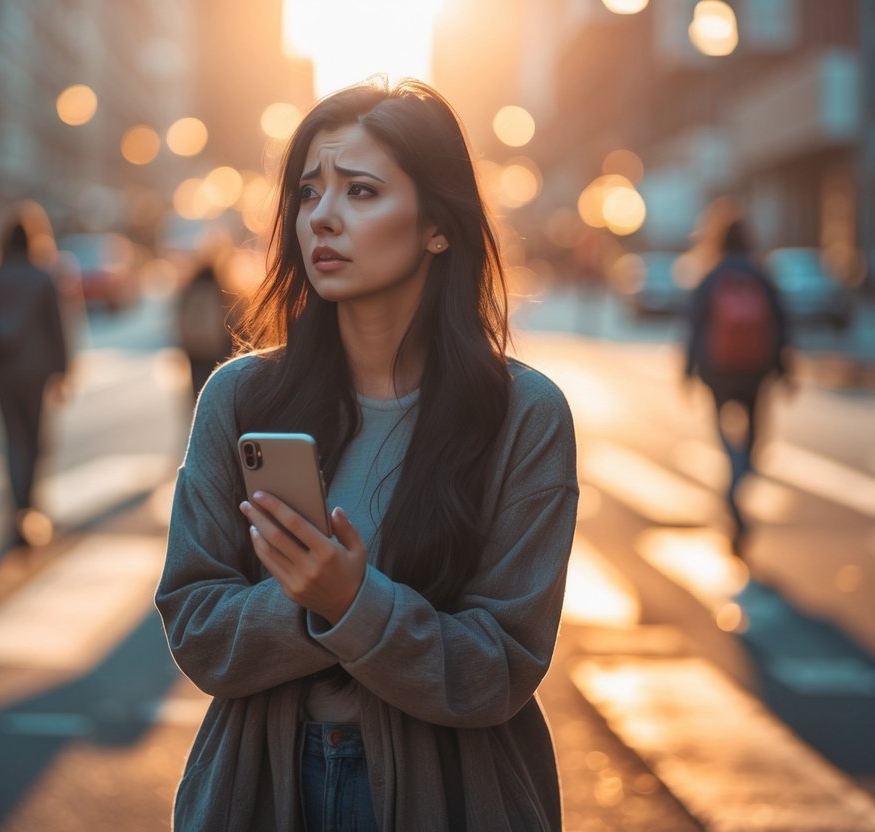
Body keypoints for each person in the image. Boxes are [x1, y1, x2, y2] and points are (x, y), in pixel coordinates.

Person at [155, 78, 578, 831]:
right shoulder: (240, 399)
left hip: (450, 796)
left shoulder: (522, 415)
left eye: (360, 191)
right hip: (261, 789)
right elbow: (195, 626)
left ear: (436, 227)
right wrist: (315, 602)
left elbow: (500, 668)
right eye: (308, 191)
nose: (321, 217)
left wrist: (353, 604)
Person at [0, 201, 69, 548]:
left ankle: (16, 510)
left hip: (2, 371)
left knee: (12, 439)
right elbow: (58, 327)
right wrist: (64, 370)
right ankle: (29, 505)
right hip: (37, 372)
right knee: (36, 440)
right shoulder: (43, 276)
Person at [685, 216, 791, 555]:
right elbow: (780, 321)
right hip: (756, 370)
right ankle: (741, 473)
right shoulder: (760, 274)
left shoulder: (712, 276)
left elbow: (696, 325)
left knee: (723, 432)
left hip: (718, 369)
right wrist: (783, 367)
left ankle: (733, 473)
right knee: (755, 438)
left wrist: (688, 368)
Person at [175, 248, 236, 398]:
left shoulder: (189, 289)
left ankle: (198, 413)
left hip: (194, 349)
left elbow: (181, 318)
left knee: (197, 388)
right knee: (217, 387)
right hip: (214, 347)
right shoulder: (221, 288)